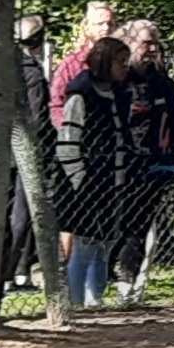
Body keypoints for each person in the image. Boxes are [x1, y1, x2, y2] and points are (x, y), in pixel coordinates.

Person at [55, 36, 134, 308]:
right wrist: (80, 180)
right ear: (104, 62)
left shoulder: (120, 93)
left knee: (105, 245)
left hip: (114, 181)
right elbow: (67, 141)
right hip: (87, 184)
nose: (125, 67)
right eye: (120, 61)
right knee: (85, 246)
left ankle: (94, 301)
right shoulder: (81, 93)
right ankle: (76, 304)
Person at [113, 19, 174, 304]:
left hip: (153, 164)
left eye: (156, 44)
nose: (152, 49)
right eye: (146, 43)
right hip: (117, 164)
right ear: (129, 43)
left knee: (139, 227)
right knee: (112, 225)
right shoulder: (117, 80)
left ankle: (127, 285)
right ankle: (94, 288)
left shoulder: (163, 83)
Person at [3, 14, 52, 294]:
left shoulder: (0, 69)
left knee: (15, 213)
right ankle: (10, 274)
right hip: (25, 151)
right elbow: (36, 118)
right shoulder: (31, 73)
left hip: (2, 150)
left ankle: (18, 272)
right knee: (22, 214)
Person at [49, 1, 117, 128]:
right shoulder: (71, 64)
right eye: (100, 24)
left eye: (110, 24)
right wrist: (68, 130)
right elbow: (57, 104)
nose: (106, 28)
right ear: (87, 27)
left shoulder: (121, 62)